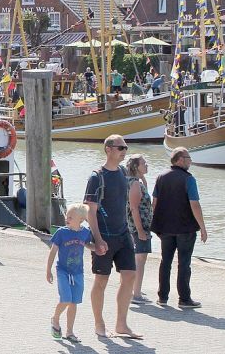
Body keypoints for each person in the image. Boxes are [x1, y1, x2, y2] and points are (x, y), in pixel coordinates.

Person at [84, 134, 140, 339]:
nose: (124, 151)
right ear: (108, 149)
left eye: (125, 147)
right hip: (104, 235)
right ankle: (99, 324)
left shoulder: (123, 172)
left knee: (130, 276)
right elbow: (90, 211)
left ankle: (121, 325)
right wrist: (97, 239)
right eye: (120, 147)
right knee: (101, 280)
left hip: (123, 233)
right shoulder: (96, 176)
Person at [151, 147, 207, 309]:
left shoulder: (160, 177)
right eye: (188, 158)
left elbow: (154, 203)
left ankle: (162, 297)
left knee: (165, 261)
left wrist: (153, 224)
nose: (190, 161)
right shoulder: (188, 179)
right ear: (180, 159)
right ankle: (184, 298)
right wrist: (202, 227)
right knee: (184, 263)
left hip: (165, 228)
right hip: (185, 228)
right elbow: (194, 204)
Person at [46, 203, 94, 343]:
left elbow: (87, 244)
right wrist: (48, 270)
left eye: (71, 217)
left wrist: (97, 248)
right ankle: (55, 318)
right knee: (66, 299)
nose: (67, 218)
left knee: (74, 302)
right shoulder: (62, 232)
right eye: (67, 216)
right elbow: (53, 251)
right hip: (63, 271)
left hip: (78, 273)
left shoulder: (85, 232)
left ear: (80, 220)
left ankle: (70, 332)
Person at [125, 154, 154, 304]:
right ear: (136, 167)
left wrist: (143, 178)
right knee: (140, 259)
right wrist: (141, 231)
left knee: (137, 258)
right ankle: (136, 295)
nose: (147, 165)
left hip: (134, 226)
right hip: (138, 226)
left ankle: (134, 288)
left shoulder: (133, 181)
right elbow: (134, 208)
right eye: (144, 163)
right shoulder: (135, 184)